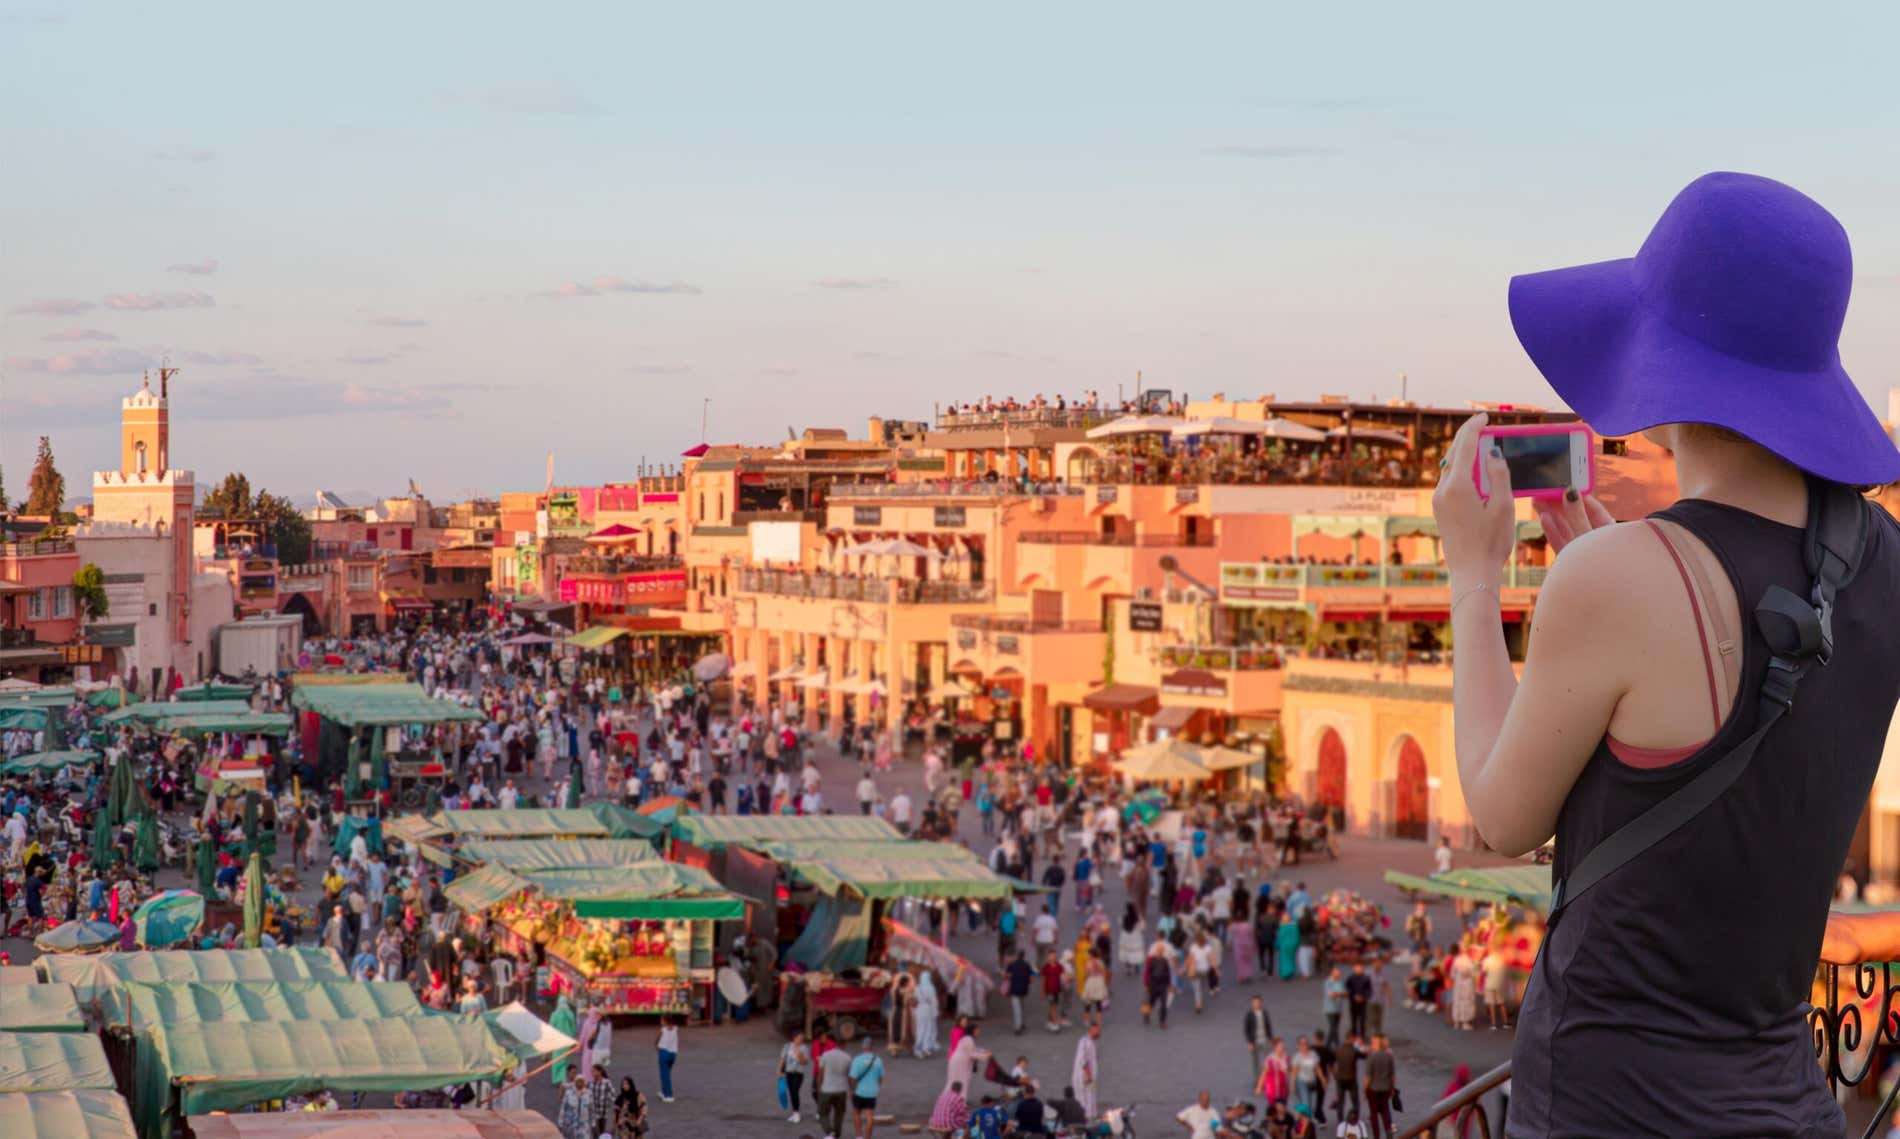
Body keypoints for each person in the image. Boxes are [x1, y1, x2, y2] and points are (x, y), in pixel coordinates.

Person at [1441, 173, 1900, 1135]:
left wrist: (1473, 576)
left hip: (1609, 1104)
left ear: (1665, 362)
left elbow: (1499, 813)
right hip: (1786, 1103)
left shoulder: (1621, 578)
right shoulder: (1886, 559)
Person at [816, 1031, 852, 1139]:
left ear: (835, 1043)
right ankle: (837, 1136)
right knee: (839, 1116)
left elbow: (820, 1074)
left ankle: (829, 1131)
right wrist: (851, 1090)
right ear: (845, 1044)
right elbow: (849, 1076)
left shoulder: (826, 1055)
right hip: (841, 1090)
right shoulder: (848, 1058)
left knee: (822, 1113)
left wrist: (819, 1087)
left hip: (827, 1089)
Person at [848, 1036, 885, 1139]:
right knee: (870, 1116)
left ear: (862, 1047)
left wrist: (852, 1089)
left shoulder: (857, 1060)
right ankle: (867, 1137)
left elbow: (853, 1077)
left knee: (856, 1113)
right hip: (872, 1092)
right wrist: (877, 1087)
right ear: (872, 1047)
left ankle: (859, 1136)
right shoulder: (878, 1060)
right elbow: (881, 1078)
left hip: (859, 1091)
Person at [1363, 1036, 1396, 1139]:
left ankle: (1376, 1136)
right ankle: (1388, 1130)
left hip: (1373, 1089)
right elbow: (1392, 1076)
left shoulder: (1372, 1057)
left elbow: (1368, 1077)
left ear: (1376, 1044)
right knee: (1385, 1110)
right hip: (1385, 1088)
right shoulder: (1389, 1056)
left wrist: (1364, 1091)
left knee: (1373, 1114)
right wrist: (1392, 1088)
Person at [778, 1030, 810, 1124]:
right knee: (791, 1092)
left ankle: (797, 1113)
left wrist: (800, 1056)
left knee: (795, 1090)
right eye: (799, 1038)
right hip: (789, 1072)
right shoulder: (787, 1046)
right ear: (794, 1038)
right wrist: (779, 1070)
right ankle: (794, 1112)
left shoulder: (804, 1048)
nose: (801, 1040)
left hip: (798, 1073)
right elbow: (783, 1059)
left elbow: (805, 1062)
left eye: (802, 1038)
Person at [1243, 995, 1274, 1085]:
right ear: (1252, 1003)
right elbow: (1246, 1029)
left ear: (1260, 1003)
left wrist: (1271, 1039)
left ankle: (1267, 1078)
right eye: (1255, 1002)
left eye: (1258, 1002)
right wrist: (1249, 1042)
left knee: (1267, 1061)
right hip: (1254, 1041)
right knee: (1255, 1062)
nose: (1256, 1004)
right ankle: (1257, 1080)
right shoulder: (1249, 1014)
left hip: (1264, 1040)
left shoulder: (1264, 1013)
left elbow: (1268, 1026)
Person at [1071, 1023, 1100, 1117]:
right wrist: (1089, 1075)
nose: (1099, 1033)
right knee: (1084, 1100)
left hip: (1087, 1078)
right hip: (1084, 1078)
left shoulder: (1089, 1042)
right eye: (1098, 1031)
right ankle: (1084, 1119)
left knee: (1088, 1099)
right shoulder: (1085, 1042)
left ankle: (1089, 1117)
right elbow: (1083, 1061)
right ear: (1092, 1029)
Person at [913, 968, 942, 1057]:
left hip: (919, 1009)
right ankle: (926, 1046)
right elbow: (934, 1001)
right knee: (928, 1028)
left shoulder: (917, 988)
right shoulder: (931, 988)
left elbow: (914, 999)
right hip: (928, 1009)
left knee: (920, 1029)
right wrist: (936, 1011)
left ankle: (917, 1047)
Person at [1258, 1037, 1292, 1108]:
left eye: (1283, 1046)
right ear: (1275, 1047)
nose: (1282, 1048)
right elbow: (1264, 1073)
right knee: (1273, 1107)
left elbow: (1290, 1071)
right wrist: (1259, 1087)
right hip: (1272, 1088)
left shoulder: (1287, 1058)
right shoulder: (1270, 1059)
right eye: (1280, 1047)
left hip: (1283, 1088)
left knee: (1283, 1108)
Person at [654, 1015, 679, 1103]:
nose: (661, 1022)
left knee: (665, 1074)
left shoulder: (663, 1030)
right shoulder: (675, 1028)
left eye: (662, 1020)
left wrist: (656, 1045)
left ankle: (669, 1095)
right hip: (673, 1054)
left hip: (664, 1053)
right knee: (666, 1073)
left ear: (665, 1021)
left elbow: (657, 1039)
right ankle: (664, 1092)